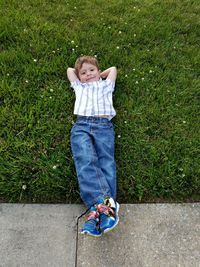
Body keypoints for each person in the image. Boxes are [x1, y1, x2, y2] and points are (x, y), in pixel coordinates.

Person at [67, 55, 119, 237]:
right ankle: (106, 209)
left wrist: (100, 75)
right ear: (79, 77)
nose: (88, 74)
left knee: (106, 162)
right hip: (81, 126)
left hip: (103, 126)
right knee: (85, 161)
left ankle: (97, 213)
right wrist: (80, 74)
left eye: (92, 70)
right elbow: (69, 71)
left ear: (99, 71)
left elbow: (113, 69)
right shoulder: (79, 86)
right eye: (84, 72)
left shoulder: (106, 85)